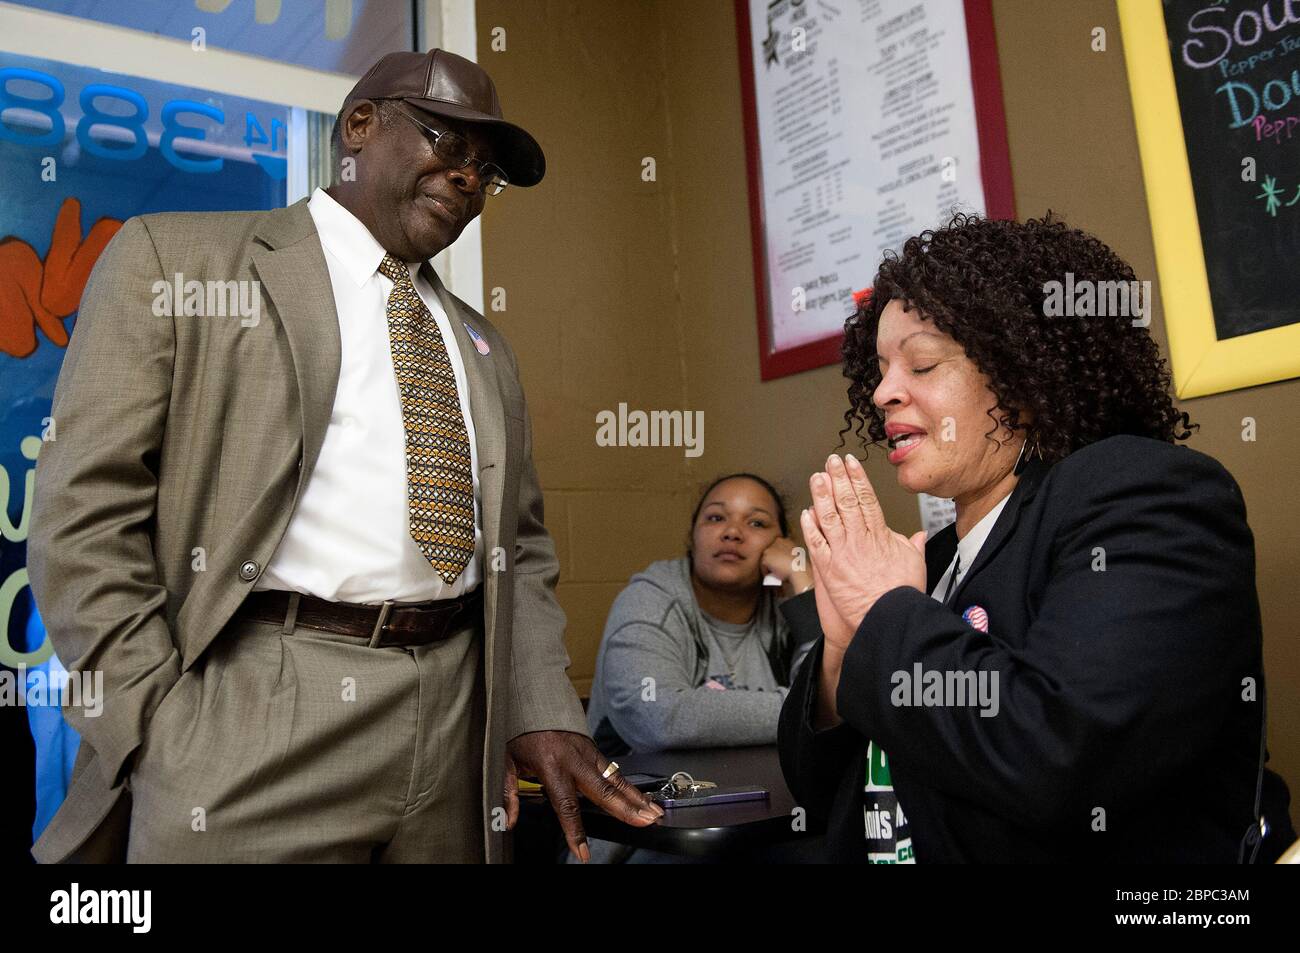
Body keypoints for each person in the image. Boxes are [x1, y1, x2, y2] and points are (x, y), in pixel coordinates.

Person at [28, 48, 660, 864]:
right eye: (444, 140)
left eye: (484, 168)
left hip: (456, 721)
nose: (468, 177)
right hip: (252, 709)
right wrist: (155, 724)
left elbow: (523, 547)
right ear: (360, 127)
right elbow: (83, 516)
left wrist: (541, 708)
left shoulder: (483, 344)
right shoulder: (175, 261)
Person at [781, 211, 1293, 863]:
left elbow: (1064, 754)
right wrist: (842, 649)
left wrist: (886, 615)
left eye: (923, 363)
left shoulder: (1145, 491)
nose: (882, 392)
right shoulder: (927, 561)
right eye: (879, 368)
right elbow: (816, 793)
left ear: (1023, 375)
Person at [588, 473, 820, 756]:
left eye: (756, 522)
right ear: (692, 537)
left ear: (780, 544)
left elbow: (834, 696)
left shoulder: (785, 609)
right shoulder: (649, 600)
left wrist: (804, 581)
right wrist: (805, 712)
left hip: (767, 792)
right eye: (715, 518)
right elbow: (658, 719)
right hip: (648, 795)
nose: (732, 532)